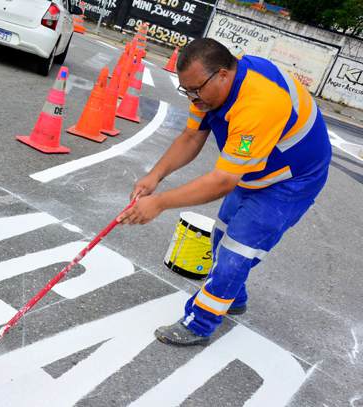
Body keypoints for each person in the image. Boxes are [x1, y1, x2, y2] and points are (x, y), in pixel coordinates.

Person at [117, 38, 332, 346]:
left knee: (237, 251)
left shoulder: (258, 103)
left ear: (222, 74)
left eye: (196, 89)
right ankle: (233, 296)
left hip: (292, 179)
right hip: (255, 166)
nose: (192, 98)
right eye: (186, 90)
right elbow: (192, 136)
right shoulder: (211, 90)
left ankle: (199, 323)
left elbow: (222, 181)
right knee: (222, 234)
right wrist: (155, 176)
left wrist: (160, 203)